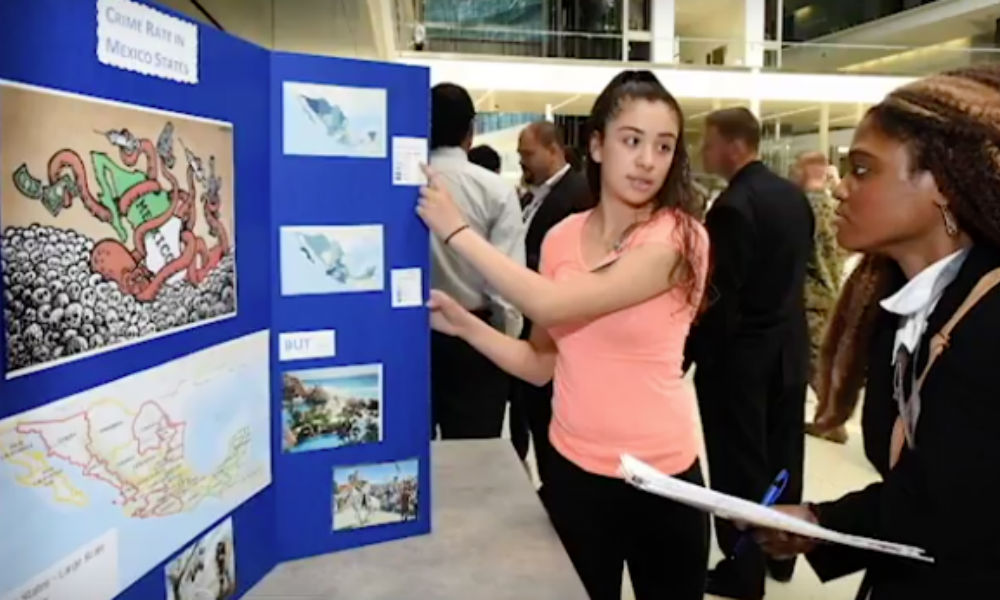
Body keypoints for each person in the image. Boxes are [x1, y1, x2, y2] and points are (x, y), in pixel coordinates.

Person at [417, 70, 710, 600]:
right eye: (632, 141)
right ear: (597, 145)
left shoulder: (681, 239)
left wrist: (456, 230)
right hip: (574, 474)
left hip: (662, 481)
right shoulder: (559, 239)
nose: (647, 160)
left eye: (663, 146)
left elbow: (551, 302)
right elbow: (540, 363)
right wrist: (465, 326)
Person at [753, 65, 1000, 599]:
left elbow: (963, 506)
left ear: (943, 185)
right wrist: (814, 521)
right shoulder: (898, 310)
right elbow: (924, 488)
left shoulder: (990, 318)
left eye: (863, 171)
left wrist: (822, 525)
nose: (841, 189)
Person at [686, 107, 814, 599]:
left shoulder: (734, 207)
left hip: (742, 361)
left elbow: (720, 298)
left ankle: (743, 572)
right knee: (785, 456)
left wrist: (693, 357)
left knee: (739, 467)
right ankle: (783, 556)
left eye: (709, 142)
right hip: (788, 349)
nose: (704, 152)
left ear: (733, 145)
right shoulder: (793, 198)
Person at [428, 83, 526, 439]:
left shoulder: (402, 184)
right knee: (474, 457)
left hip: (407, 336)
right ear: (471, 132)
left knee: (408, 458)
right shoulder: (496, 190)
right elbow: (506, 286)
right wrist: (508, 344)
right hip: (477, 340)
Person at [508, 121, 592, 483]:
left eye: (528, 154)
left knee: (550, 421)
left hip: (559, 329)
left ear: (554, 150)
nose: (522, 161)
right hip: (530, 324)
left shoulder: (579, 193)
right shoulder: (534, 194)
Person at [794, 151, 852, 444]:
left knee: (813, 359)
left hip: (811, 295)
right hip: (830, 291)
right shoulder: (833, 206)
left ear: (807, 169)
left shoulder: (807, 208)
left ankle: (832, 420)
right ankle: (829, 417)